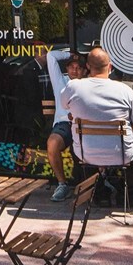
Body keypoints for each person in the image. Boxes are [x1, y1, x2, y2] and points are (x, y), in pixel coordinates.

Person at [60, 47, 133, 208]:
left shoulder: (74, 87)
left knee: (75, 148)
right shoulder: (124, 90)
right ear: (110, 67)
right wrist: (127, 134)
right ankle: (128, 196)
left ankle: (98, 194)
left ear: (87, 66)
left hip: (85, 154)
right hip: (122, 154)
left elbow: (64, 105)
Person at [45, 48, 85, 201]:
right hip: (64, 124)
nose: (75, 70)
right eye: (71, 66)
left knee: (96, 143)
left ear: (84, 70)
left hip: (84, 124)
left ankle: (100, 182)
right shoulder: (60, 81)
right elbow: (51, 55)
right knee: (52, 143)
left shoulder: (89, 84)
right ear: (66, 68)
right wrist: (71, 55)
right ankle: (62, 184)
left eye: (78, 67)